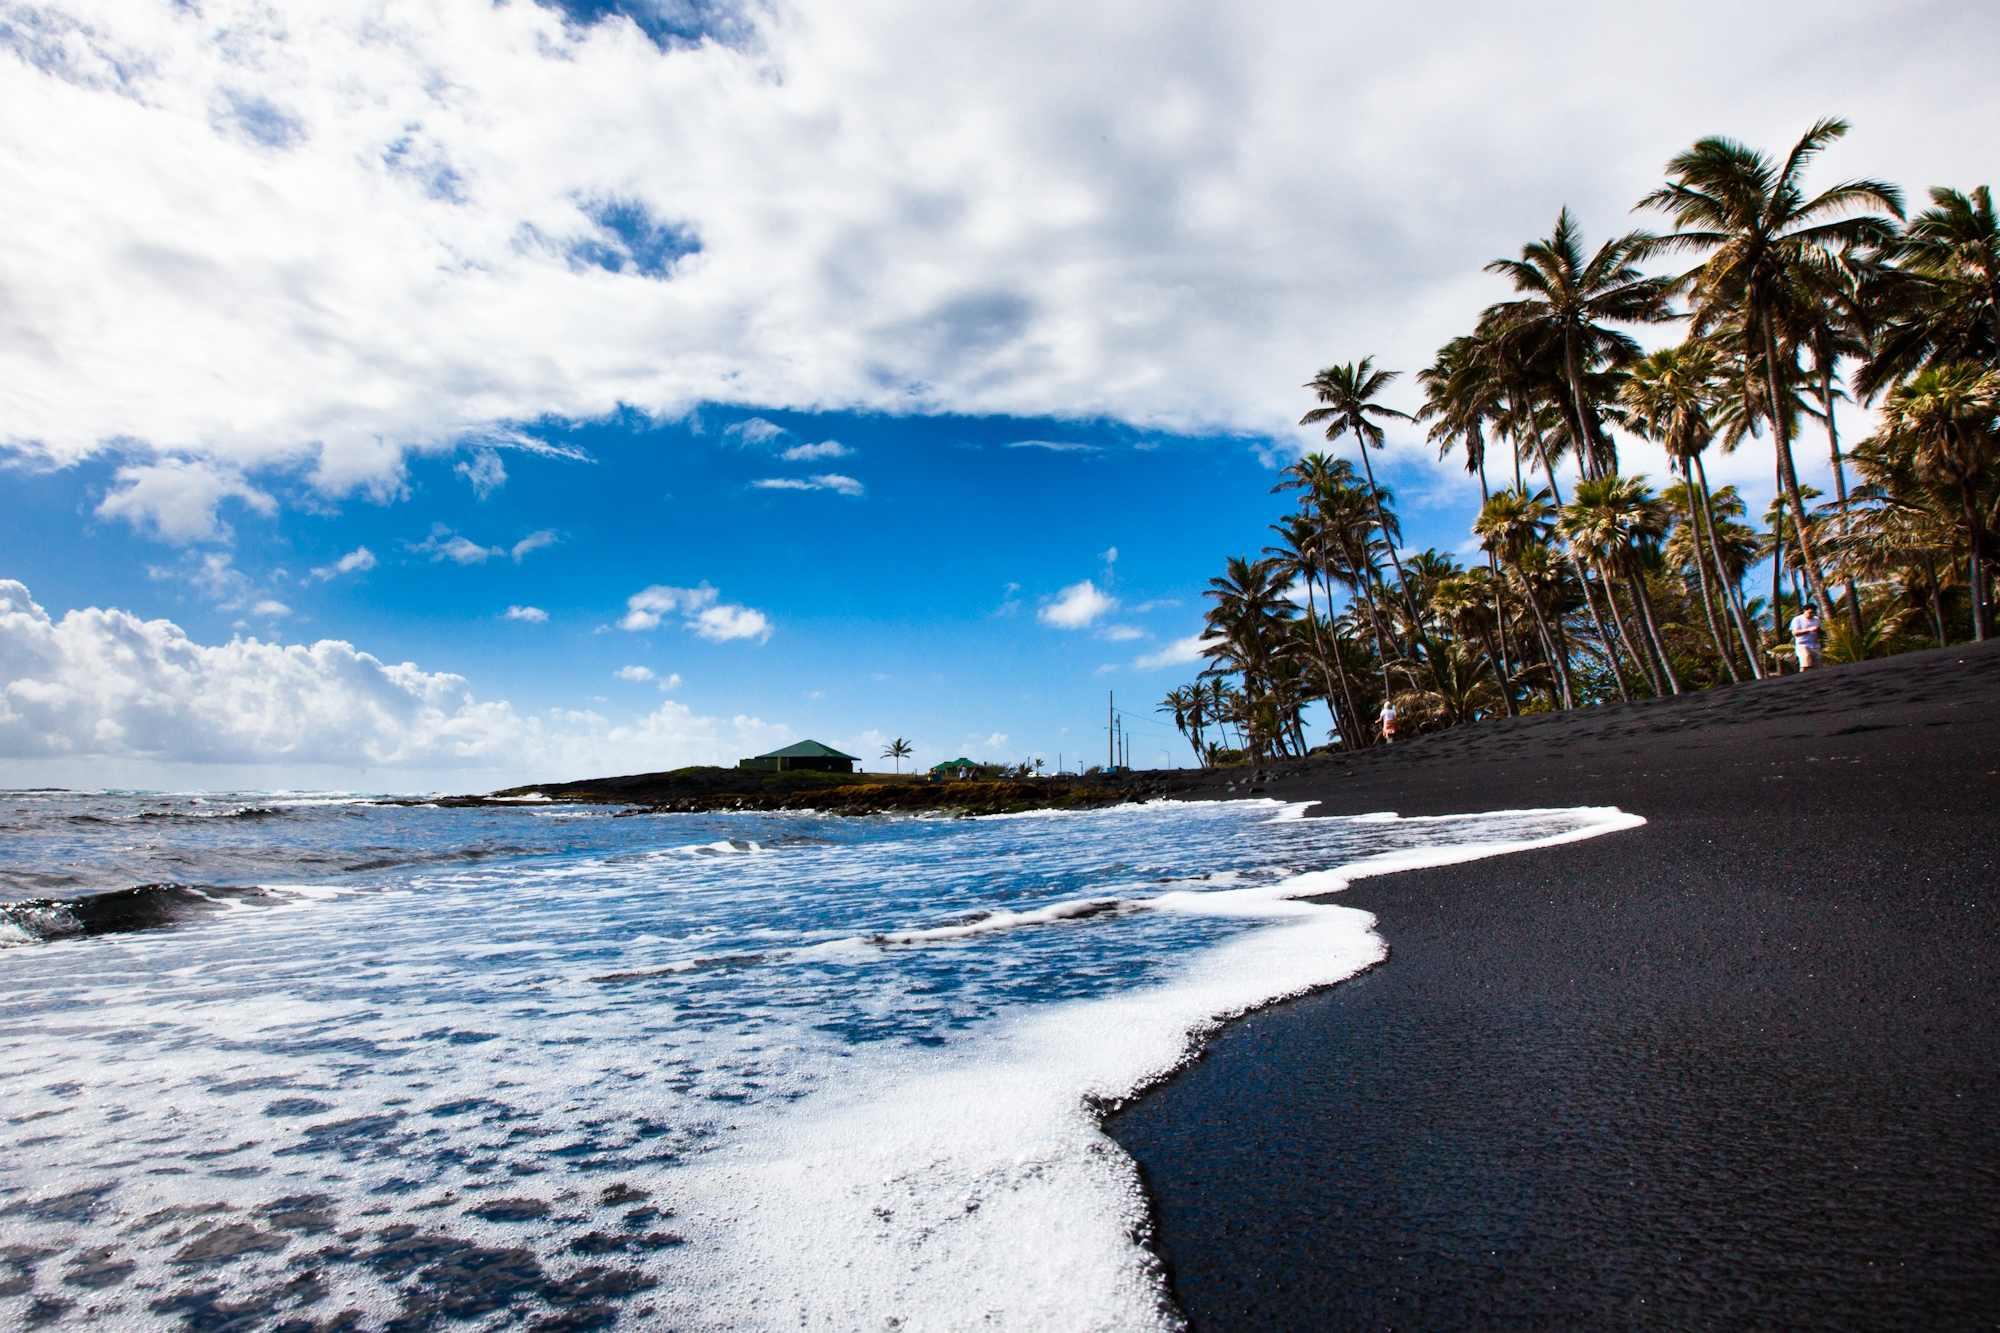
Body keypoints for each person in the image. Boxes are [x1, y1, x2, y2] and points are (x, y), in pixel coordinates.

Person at [1790, 602, 1824, 671]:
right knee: (1806, 662)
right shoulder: (1797, 619)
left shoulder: (1816, 619)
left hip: (1815, 645)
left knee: (1818, 666)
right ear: (1805, 610)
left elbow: (1820, 631)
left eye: (1813, 613)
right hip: (1803, 645)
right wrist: (1809, 630)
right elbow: (1795, 633)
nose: (1811, 614)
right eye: (1810, 612)